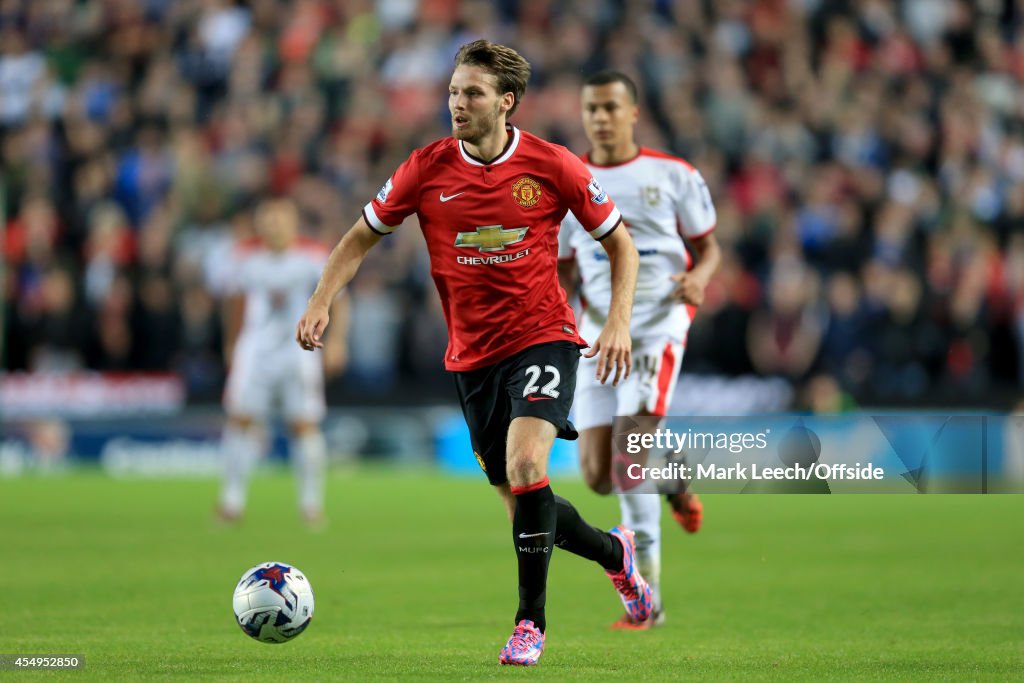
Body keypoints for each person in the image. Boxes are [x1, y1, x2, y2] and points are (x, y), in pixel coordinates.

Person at [296, 40, 650, 666]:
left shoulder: (552, 164)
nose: (457, 103)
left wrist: (618, 321)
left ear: (506, 102)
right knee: (523, 500)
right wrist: (322, 299)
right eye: (454, 92)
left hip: (543, 335)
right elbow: (357, 240)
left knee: (525, 464)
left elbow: (622, 245)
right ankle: (614, 555)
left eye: (473, 93)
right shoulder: (425, 167)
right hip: (471, 357)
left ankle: (529, 625)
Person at [558, 71, 721, 629]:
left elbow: (709, 248)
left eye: (609, 107)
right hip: (598, 331)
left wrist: (701, 278)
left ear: (633, 113)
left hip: (657, 325)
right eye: (591, 109)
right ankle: (673, 475)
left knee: (629, 463)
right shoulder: (566, 181)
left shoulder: (673, 174)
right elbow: (562, 268)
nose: (599, 118)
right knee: (597, 475)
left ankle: (647, 600)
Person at [217, 198, 348, 526]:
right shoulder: (244, 257)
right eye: (268, 220)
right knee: (240, 420)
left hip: (299, 351)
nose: (274, 226)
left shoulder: (313, 256)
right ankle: (231, 502)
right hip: (255, 352)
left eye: (280, 220)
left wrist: (336, 343)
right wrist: (232, 343)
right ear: (259, 224)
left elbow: (340, 301)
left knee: (303, 424)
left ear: (293, 223)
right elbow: (235, 303)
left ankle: (311, 505)